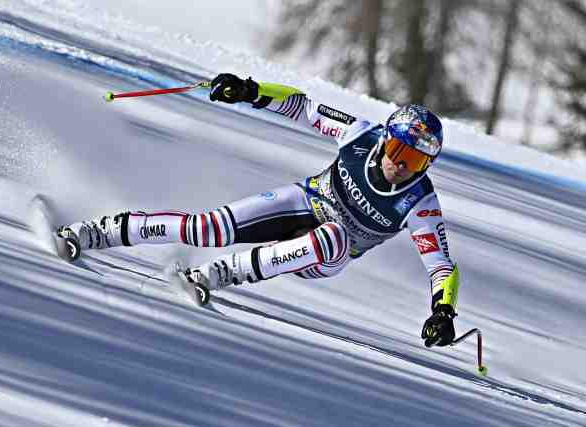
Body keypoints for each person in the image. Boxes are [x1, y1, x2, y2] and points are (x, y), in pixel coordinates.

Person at [57, 73, 460, 348]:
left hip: (328, 254)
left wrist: (443, 311)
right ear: (386, 140)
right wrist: (249, 90)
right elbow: (303, 107)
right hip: (306, 201)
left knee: (333, 236)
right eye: (398, 151)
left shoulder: (420, 203)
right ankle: (99, 232)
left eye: (416, 161)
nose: (401, 165)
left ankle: (221, 274)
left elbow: (441, 265)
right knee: (209, 228)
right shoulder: (359, 134)